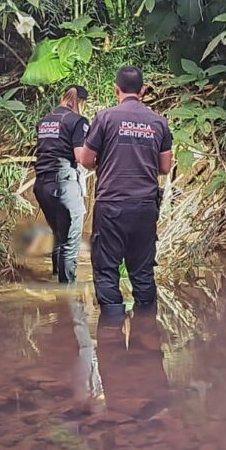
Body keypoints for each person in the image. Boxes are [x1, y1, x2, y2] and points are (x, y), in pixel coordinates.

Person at [79, 66, 173, 315]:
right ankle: (147, 331)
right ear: (143, 90)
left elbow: (86, 160)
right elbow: (165, 167)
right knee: (142, 273)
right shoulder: (159, 122)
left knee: (107, 269)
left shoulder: (105, 118)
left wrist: (107, 161)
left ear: (115, 89)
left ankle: (112, 334)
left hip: (111, 206)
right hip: (144, 207)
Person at [33, 85, 90, 283]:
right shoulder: (78, 121)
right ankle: (67, 296)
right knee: (70, 242)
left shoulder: (45, 120)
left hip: (41, 186)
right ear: (81, 103)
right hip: (64, 185)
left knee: (58, 234)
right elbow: (81, 157)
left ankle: (56, 278)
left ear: (62, 97)